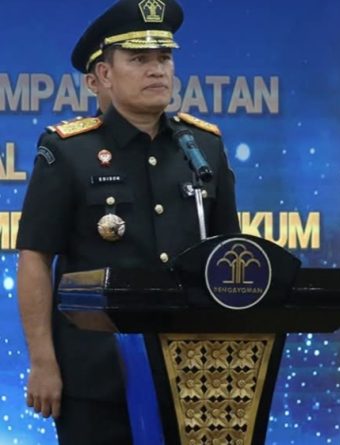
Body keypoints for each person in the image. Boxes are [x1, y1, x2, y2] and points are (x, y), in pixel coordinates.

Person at [16, 1, 240, 443]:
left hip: (192, 370)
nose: (157, 70)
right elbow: (35, 257)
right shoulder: (68, 151)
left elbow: (228, 255)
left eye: (164, 58)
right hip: (96, 373)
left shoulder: (203, 148)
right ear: (102, 75)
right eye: (139, 59)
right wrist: (42, 362)